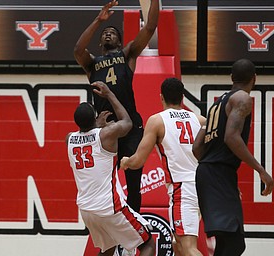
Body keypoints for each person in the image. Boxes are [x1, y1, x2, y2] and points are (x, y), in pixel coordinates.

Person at [74, 0, 159, 213]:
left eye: (112, 32)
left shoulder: (127, 55)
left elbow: (149, 27)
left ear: (120, 42)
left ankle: (134, 233)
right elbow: (78, 49)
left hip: (130, 126)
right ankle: (104, 224)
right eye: (105, 33)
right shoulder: (92, 63)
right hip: (104, 128)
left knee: (133, 184)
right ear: (101, 41)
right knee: (100, 183)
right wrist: (98, 20)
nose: (108, 34)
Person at [192, 59, 274, 256]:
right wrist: (261, 170)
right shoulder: (242, 99)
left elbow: (196, 148)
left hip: (210, 173)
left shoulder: (217, 104)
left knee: (229, 242)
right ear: (254, 79)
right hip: (217, 173)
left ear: (231, 78)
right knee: (233, 243)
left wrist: (219, 171)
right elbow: (231, 137)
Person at [66, 81, 155, 256]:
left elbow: (86, 136)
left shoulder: (68, 139)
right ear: (95, 118)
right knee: (148, 244)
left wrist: (95, 125)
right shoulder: (106, 134)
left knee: (107, 250)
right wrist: (109, 94)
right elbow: (127, 122)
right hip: (109, 206)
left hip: (86, 210)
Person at [121, 77, 205, 256]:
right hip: (204, 185)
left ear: (161, 97)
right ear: (182, 97)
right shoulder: (199, 119)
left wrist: (126, 161)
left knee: (188, 246)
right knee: (177, 243)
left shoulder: (157, 121)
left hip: (183, 188)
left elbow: (138, 161)